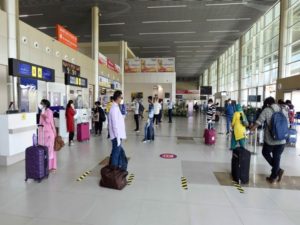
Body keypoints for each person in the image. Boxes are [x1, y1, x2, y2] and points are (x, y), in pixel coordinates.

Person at [250, 97, 289, 184]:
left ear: (267, 104)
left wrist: (252, 129)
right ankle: (274, 176)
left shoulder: (267, 110)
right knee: (277, 157)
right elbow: (288, 123)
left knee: (265, 152)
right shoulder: (283, 109)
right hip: (282, 139)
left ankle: (277, 171)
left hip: (271, 140)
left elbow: (259, 122)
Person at [108, 91, 127, 170]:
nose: (121, 99)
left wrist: (123, 116)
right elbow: (114, 125)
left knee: (117, 152)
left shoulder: (116, 107)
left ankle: (117, 168)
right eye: (121, 97)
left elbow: (118, 120)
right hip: (116, 136)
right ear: (118, 98)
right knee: (116, 154)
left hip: (117, 135)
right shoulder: (114, 109)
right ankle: (114, 172)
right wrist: (118, 137)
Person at [38, 99, 57, 172]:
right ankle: (44, 166)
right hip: (42, 134)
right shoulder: (42, 112)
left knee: (50, 150)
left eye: (41, 103)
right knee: (44, 150)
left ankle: (51, 167)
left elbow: (48, 121)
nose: (40, 104)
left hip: (49, 134)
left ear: (45, 105)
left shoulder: (49, 111)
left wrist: (43, 114)